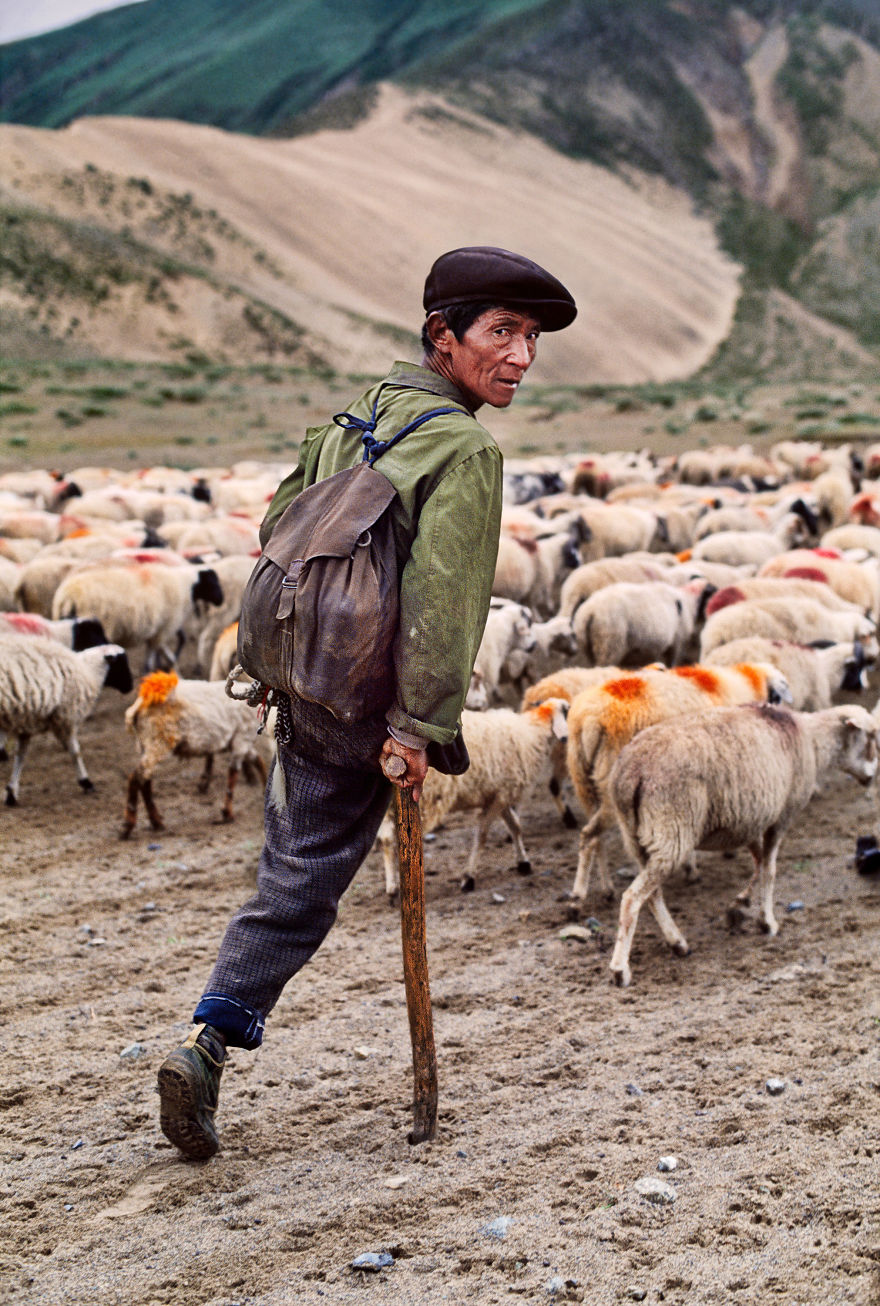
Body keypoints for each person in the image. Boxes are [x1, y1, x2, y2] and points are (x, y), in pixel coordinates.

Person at [156, 245, 577, 1159]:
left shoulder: (359, 413)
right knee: (309, 883)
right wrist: (418, 728)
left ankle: (209, 1037)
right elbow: (444, 603)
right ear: (442, 335)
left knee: (294, 875)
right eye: (502, 332)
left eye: (532, 339)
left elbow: (278, 525)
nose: (521, 356)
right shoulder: (465, 448)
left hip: (302, 682)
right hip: (369, 702)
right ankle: (225, 1039)